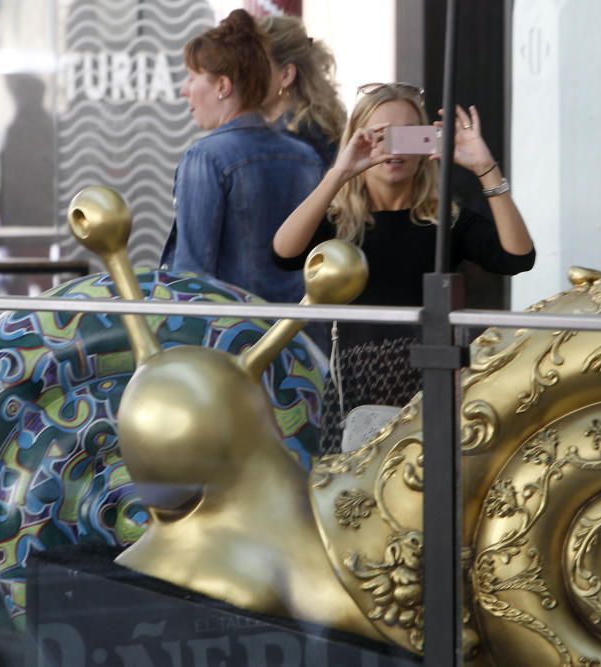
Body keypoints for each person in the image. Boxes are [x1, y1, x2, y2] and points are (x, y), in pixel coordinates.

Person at [273, 82, 535, 454]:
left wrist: (485, 168)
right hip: (354, 388)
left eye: (409, 135)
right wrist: (340, 173)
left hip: (430, 380)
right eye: (380, 135)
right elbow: (283, 253)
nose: (394, 148)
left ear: (428, 141)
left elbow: (517, 257)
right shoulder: (340, 221)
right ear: (357, 139)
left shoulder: (446, 219)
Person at [160, 9, 324, 305]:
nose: (185, 90)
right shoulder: (306, 157)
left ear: (223, 86)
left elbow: (191, 277)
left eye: (192, 77)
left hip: (235, 339)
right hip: (301, 337)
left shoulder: (206, 158)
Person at [259, 15, 345, 166]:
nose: (243, 76)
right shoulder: (313, 124)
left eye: (255, 64)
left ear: (286, 75)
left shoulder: (293, 138)